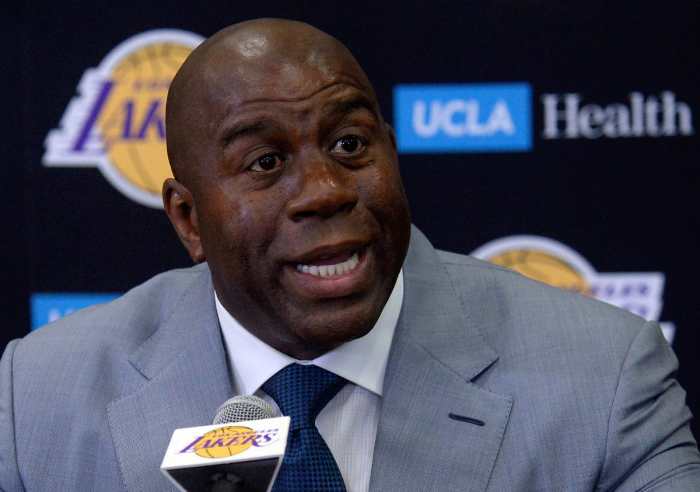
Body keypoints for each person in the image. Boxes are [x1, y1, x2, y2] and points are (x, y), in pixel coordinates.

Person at [1, 18, 699, 492]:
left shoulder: (604, 381)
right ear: (189, 218)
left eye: (349, 146)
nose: (326, 191)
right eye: (267, 161)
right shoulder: (37, 398)